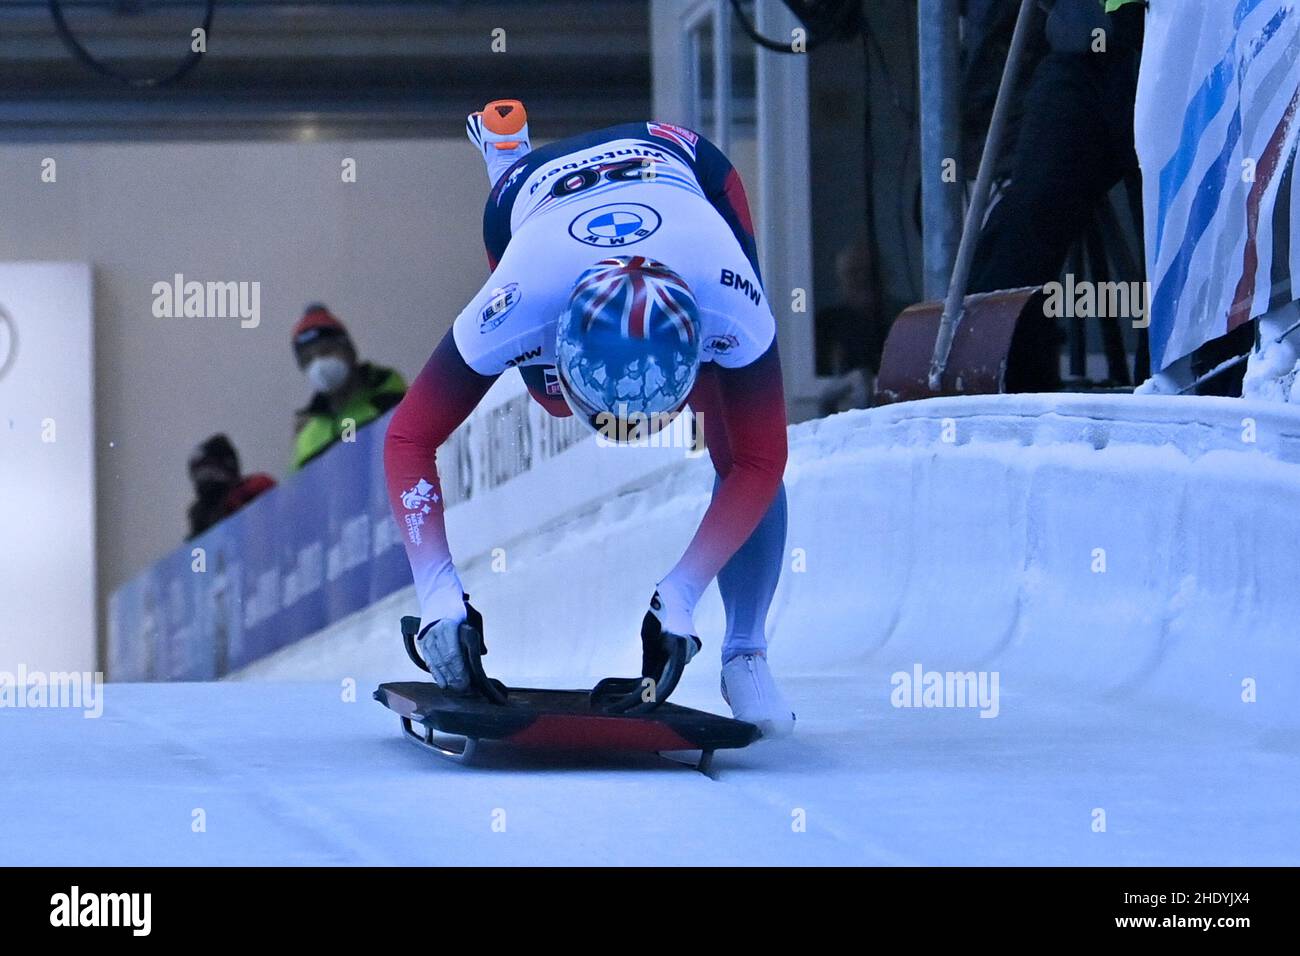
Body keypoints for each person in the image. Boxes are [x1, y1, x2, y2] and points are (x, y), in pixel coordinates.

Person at [384, 101, 795, 736]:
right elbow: (410, 436)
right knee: (548, 397)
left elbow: (764, 461)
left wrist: (680, 598)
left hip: (691, 174)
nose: (625, 435)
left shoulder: (730, 300)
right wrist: (439, 599)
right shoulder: (520, 303)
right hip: (531, 199)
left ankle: (746, 652)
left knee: (731, 434)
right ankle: (507, 158)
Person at [291, 304, 407, 470]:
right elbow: (301, 493)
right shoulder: (306, 438)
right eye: (308, 359)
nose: (318, 365)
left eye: (326, 351)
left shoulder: (391, 404)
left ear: (349, 350)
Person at [186, 434, 276, 539]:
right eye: (198, 474)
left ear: (227, 465)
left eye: (207, 471)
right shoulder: (200, 517)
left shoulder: (252, 491)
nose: (203, 478)